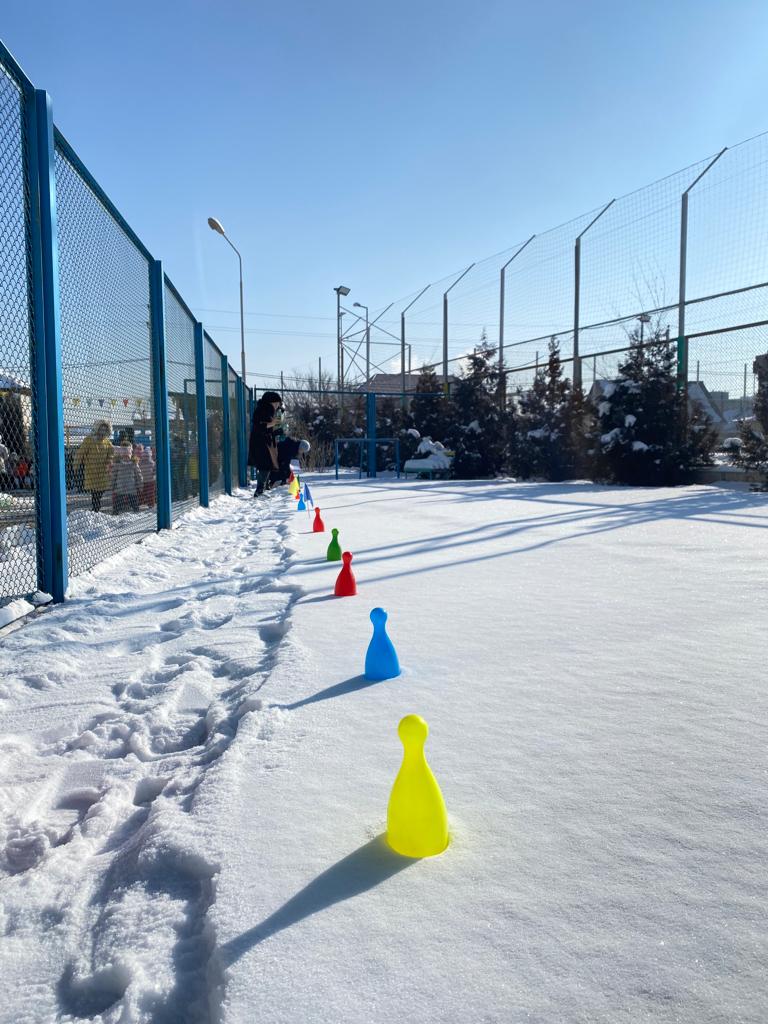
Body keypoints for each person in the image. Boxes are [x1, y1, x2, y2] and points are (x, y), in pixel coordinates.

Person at [74, 420, 114, 512]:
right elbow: (81, 453)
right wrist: (76, 466)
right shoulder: (89, 440)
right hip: (91, 470)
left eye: (105, 430)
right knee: (94, 492)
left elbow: (111, 453)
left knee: (100, 490)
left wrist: (109, 463)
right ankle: (96, 508)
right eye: (101, 429)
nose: (103, 432)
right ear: (97, 429)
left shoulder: (107, 442)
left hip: (102, 471)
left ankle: (96, 507)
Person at [247, 391, 282, 496]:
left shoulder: (269, 411)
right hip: (260, 443)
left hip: (265, 442)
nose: (277, 406)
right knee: (265, 465)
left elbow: (266, 429)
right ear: (270, 402)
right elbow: (259, 426)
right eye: (276, 403)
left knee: (268, 465)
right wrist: (273, 423)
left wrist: (276, 431)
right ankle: (259, 490)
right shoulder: (262, 410)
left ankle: (264, 488)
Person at [111, 445, 143, 515]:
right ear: (121, 455)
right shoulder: (118, 464)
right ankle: (115, 513)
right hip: (120, 487)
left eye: (127, 456)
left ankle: (136, 512)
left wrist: (140, 486)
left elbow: (138, 475)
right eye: (124, 456)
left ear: (130, 455)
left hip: (131, 488)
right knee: (118, 502)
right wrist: (112, 485)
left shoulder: (134, 464)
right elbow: (114, 475)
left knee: (134, 502)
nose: (126, 458)